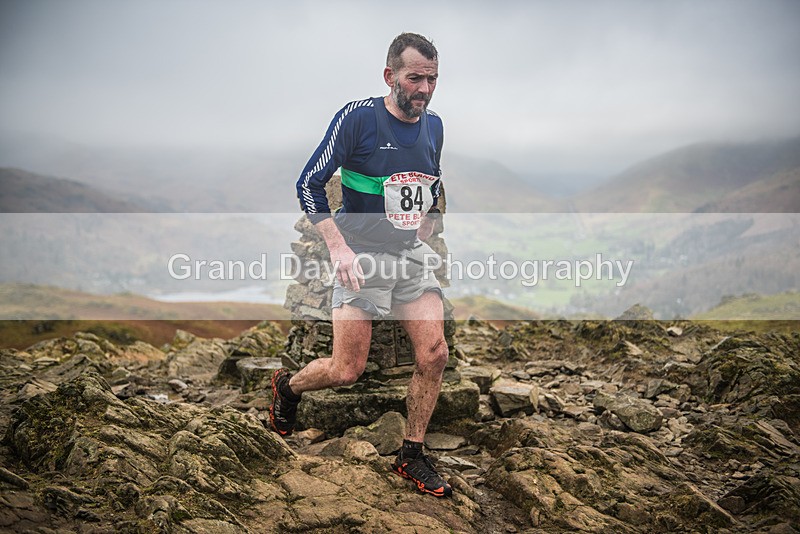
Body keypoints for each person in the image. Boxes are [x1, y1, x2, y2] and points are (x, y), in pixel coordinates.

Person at [269, 32, 452, 498]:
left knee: (434, 354)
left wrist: (428, 221)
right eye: (415, 78)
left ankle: (411, 454)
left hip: (410, 258)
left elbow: (431, 180)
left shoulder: (435, 126)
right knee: (346, 370)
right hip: (360, 258)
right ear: (390, 76)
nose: (425, 89)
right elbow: (309, 182)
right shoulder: (358, 119)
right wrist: (337, 247)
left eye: (432, 79)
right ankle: (288, 388)